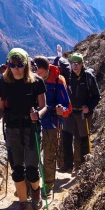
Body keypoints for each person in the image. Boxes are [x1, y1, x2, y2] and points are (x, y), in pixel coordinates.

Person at [0, 48, 46, 210]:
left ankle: (36, 192)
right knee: (17, 170)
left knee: (32, 170)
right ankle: (24, 205)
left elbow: (44, 106)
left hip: (31, 128)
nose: (16, 68)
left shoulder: (36, 82)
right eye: (12, 65)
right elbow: (0, 108)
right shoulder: (3, 83)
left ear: (26, 64)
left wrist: (38, 115)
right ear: (8, 65)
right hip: (13, 129)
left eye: (20, 64)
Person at [33, 55, 71, 197]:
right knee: (33, 154)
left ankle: (48, 185)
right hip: (34, 121)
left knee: (49, 154)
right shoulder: (32, 79)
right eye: (36, 72)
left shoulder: (57, 80)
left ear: (47, 69)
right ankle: (33, 185)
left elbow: (67, 104)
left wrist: (63, 110)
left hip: (52, 121)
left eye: (40, 73)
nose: (38, 76)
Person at [61, 52, 101, 175]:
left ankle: (83, 167)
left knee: (82, 139)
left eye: (77, 63)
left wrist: (89, 107)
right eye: (73, 63)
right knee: (66, 137)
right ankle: (68, 165)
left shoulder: (89, 77)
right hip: (70, 112)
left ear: (82, 64)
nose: (75, 66)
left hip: (83, 114)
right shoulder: (68, 77)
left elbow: (97, 96)